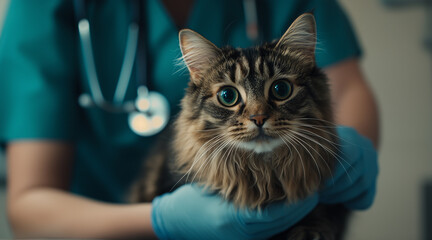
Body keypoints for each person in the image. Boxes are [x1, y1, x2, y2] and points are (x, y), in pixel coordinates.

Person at [0, 0, 379, 239]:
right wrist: (159, 221)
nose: (259, 115)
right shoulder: (44, 8)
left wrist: (343, 154)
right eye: (229, 97)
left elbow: (345, 87)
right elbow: (28, 209)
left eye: (276, 93)